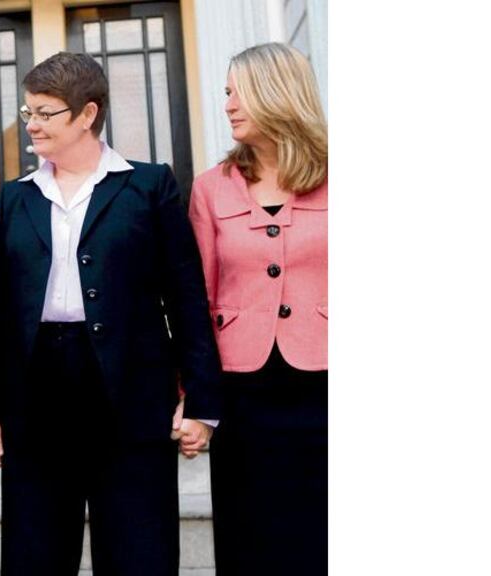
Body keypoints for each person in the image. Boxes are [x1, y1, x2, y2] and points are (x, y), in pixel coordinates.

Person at [0, 52, 222, 575]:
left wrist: (201, 401)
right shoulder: (16, 198)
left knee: (138, 556)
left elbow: (187, 298)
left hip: (131, 395)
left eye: (45, 113)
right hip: (36, 397)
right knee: (34, 557)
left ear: (88, 114)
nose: (31, 124)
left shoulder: (149, 186)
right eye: (27, 111)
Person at [188, 42, 328, 576]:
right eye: (225, 92)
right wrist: (191, 394)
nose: (227, 105)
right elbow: (196, 297)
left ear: (278, 92)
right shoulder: (209, 188)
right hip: (242, 391)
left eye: (237, 91)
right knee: (249, 537)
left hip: (327, 384)